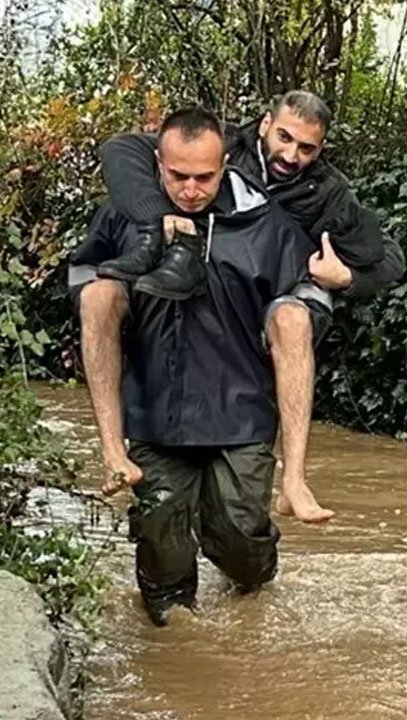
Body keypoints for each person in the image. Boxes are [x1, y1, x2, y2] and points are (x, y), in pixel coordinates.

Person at [83, 90, 405, 523]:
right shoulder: (223, 145)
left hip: (290, 285)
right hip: (223, 281)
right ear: (266, 124)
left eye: (306, 148)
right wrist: (157, 214)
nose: (291, 155)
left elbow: (389, 257)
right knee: (106, 295)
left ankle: (294, 481)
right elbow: (123, 149)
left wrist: (346, 278)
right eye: (285, 138)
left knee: (291, 320)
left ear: (321, 148)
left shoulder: (330, 191)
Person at [68, 107, 315, 626]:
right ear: (158, 162)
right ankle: (175, 650)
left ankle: (254, 585)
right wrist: (112, 443)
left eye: (205, 176)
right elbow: (87, 279)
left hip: (240, 412)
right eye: (178, 175)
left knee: (241, 542)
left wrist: (327, 290)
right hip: (156, 414)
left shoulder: (263, 220)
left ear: (224, 164)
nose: (191, 189)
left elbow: (303, 304)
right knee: (163, 564)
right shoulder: (125, 216)